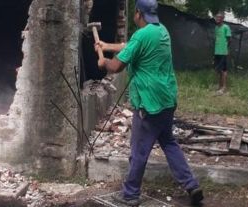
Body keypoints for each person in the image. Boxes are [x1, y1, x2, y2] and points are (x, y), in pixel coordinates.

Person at [94, 0, 203, 206]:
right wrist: (107, 46)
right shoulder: (161, 31)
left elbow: (116, 66)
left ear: (137, 13)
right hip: (167, 100)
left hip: (149, 103)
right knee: (169, 143)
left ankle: (130, 194)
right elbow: (131, 46)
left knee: (139, 151)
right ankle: (191, 184)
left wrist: (103, 61)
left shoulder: (141, 35)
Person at [214, 12, 232, 95]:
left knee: (223, 70)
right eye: (216, 17)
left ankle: (224, 88)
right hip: (217, 51)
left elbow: (229, 39)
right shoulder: (216, 28)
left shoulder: (226, 27)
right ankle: (219, 86)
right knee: (218, 70)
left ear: (222, 19)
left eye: (219, 18)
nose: (217, 19)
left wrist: (225, 49)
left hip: (223, 52)